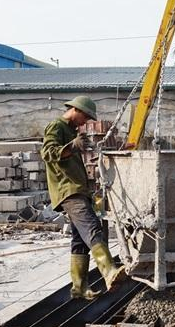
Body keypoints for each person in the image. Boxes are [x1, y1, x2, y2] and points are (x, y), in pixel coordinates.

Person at [41, 95, 126, 299]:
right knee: (91, 228)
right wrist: (72, 146)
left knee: (79, 240)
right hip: (68, 190)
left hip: (77, 189)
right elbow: (47, 153)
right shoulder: (57, 126)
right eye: (85, 117)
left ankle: (79, 289)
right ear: (75, 110)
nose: (85, 122)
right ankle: (109, 271)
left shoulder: (70, 131)